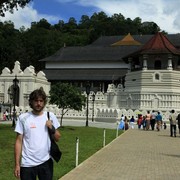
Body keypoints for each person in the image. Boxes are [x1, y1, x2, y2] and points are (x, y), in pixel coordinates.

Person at [14, 87, 61, 180]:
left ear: (44, 102)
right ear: (31, 102)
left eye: (41, 101)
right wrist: (17, 164)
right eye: (36, 101)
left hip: (45, 162)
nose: (38, 104)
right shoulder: (23, 118)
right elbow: (18, 142)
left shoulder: (49, 116)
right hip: (27, 164)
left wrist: (52, 128)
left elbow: (58, 137)